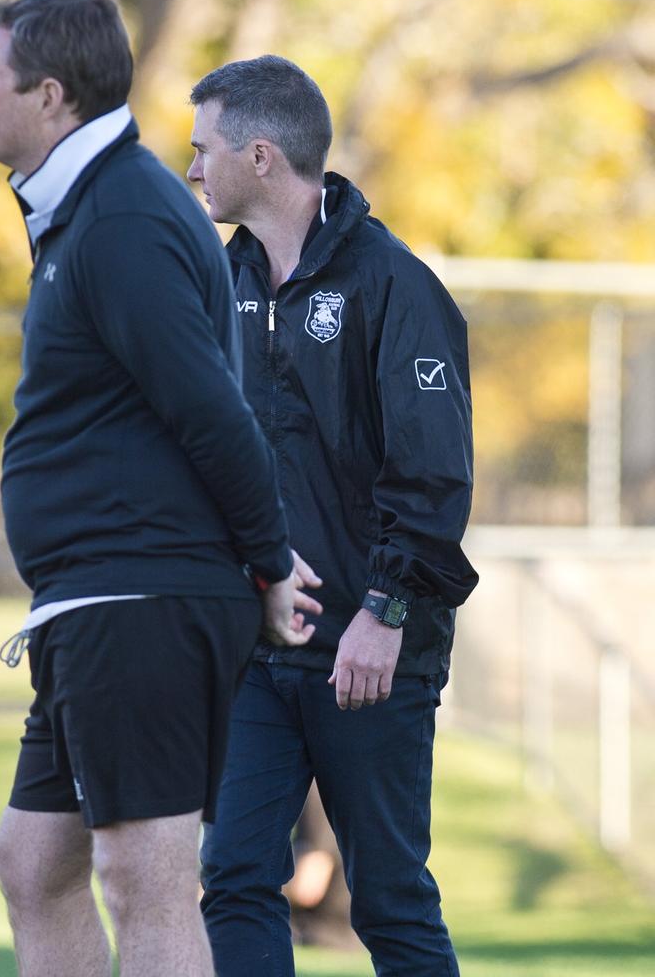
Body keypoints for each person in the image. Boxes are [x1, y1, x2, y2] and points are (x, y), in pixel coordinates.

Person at [0, 0, 320, 977]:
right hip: (96, 596)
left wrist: (267, 562)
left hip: (144, 592)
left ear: (49, 95)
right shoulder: (87, 206)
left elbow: (212, 409)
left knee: (145, 878)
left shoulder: (121, 213)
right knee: (34, 861)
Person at [187, 55, 479, 977]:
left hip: (371, 652)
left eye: (203, 150)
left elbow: (433, 475)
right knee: (233, 877)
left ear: (261, 156)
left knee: (388, 900)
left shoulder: (394, 285)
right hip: (256, 651)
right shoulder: (215, 282)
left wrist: (385, 614)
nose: (191, 169)